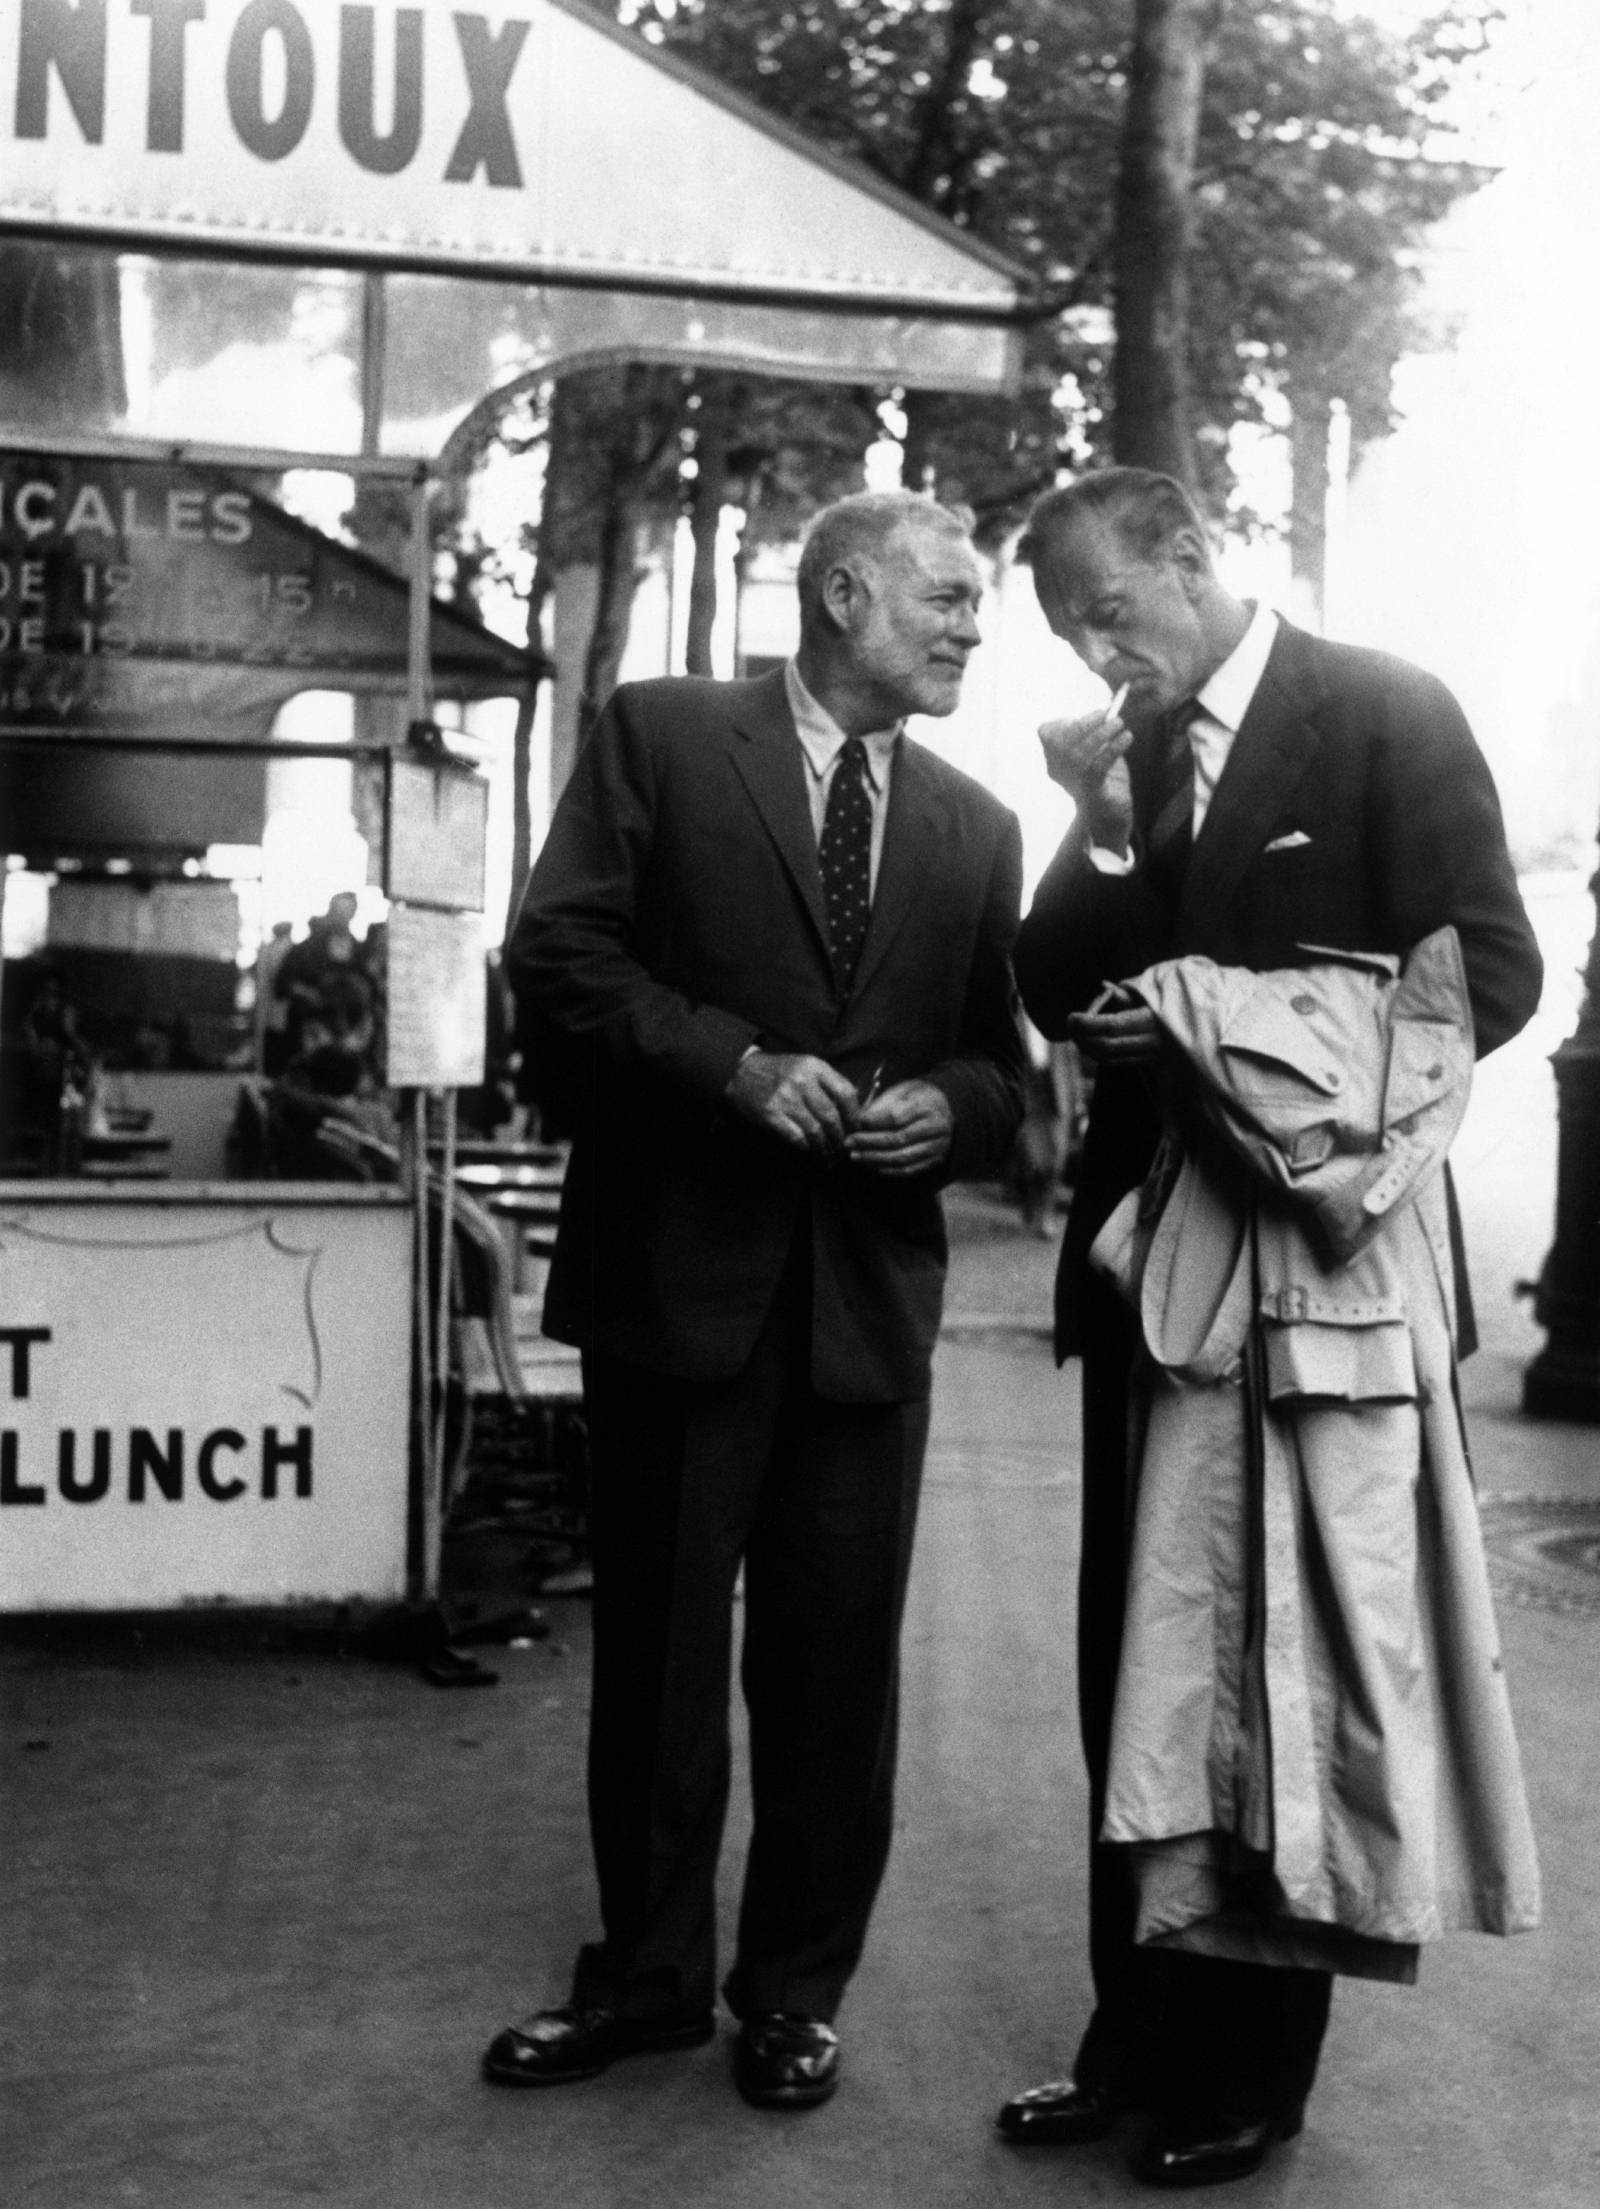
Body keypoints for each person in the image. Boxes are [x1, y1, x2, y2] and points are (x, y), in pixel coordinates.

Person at [999, 468, 1543, 2187]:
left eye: (1112, 611)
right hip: (1147, 1282)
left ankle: (1255, 2076)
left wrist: (1233, 1037)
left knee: (1288, 1675)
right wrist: (1093, 823)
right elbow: (1045, 980)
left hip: (1323, 1280)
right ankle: (1127, 2042)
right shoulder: (1129, 758)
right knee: (1132, 1667)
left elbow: (1496, 974)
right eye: (1071, 633)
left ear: (1191, 558)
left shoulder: (1383, 710)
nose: (1100, 654)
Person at [488, 490, 1026, 2111]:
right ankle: (645, 1982)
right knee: (653, 1662)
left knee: (834, 1675)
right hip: (680, 1286)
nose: (970, 627)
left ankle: (792, 1994)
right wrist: (730, 1063)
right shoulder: (659, 736)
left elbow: (1007, 1067)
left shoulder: (980, 827)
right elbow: (561, 958)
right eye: (946, 596)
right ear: (846, 591)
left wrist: (957, 1109)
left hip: (864, 1311)